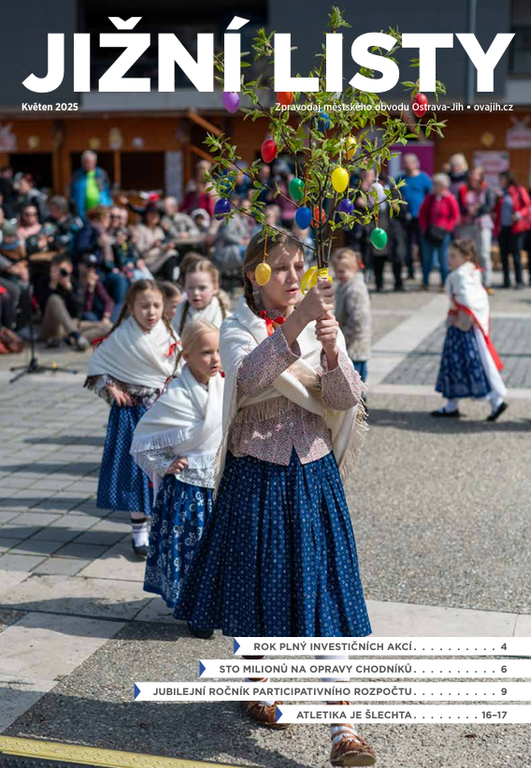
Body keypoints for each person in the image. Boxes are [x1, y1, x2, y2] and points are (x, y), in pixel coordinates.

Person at [175, 230, 375, 767]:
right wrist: (296, 324)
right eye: (279, 268)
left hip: (312, 475)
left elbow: (343, 400)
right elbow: (249, 376)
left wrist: (331, 352)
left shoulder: (313, 331)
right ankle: (261, 677)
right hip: (256, 475)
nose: (291, 277)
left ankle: (344, 728)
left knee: (324, 597)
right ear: (252, 277)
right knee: (260, 589)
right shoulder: (237, 328)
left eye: (297, 266)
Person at [130, 320, 224, 625]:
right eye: (206, 352)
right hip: (187, 490)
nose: (215, 359)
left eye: (219, 351)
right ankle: (195, 610)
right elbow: (141, 439)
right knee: (191, 551)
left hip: (220, 482)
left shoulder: (225, 388)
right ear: (187, 356)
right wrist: (163, 464)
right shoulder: (175, 397)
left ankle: (215, 603)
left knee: (219, 549)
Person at [85, 280, 179, 558]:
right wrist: (111, 386)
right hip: (131, 413)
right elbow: (98, 364)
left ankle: (161, 529)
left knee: (165, 474)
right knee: (137, 474)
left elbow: (180, 367)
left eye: (156, 306)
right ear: (131, 307)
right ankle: (139, 533)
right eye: (144, 306)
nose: (151, 312)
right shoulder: (122, 335)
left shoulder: (169, 334)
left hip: (163, 413)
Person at [432, 239, 507, 422]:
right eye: (448, 255)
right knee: (460, 366)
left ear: (466, 257)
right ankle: (452, 404)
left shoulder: (461, 276)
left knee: (475, 366)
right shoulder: (469, 273)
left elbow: (467, 302)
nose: (448, 259)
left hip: (463, 331)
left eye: (453, 256)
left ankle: (495, 401)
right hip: (464, 329)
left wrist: (461, 323)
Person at [332, 248, 371, 382]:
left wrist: (342, 339)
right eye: (337, 271)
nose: (339, 275)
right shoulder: (345, 285)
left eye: (342, 271)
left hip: (355, 346)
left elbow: (358, 320)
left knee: (354, 382)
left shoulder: (355, 289)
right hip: (349, 345)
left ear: (354, 268)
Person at [35, 254, 89, 350]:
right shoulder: (45, 281)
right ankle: (75, 336)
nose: (60, 273)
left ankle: (69, 339)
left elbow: (79, 308)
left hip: (71, 324)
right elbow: (41, 307)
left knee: (106, 327)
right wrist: (52, 285)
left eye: (62, 270)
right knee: (54, 298)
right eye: (57, 270)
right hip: (53, 327)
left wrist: (69, 288)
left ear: (70, 268)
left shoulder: (75, 282)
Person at [418, 173, 461, 290]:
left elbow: (455, 216)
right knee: (427, 259)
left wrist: (447, 228)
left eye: (437, 185)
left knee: (444, 259)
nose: (435, 187)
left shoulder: (449, 199)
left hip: (443, 234)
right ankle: (425, 282)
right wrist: (424, 228)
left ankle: (444, 283)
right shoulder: (430, 198)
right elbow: (422, 214)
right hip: (429, 232)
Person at [494, 171, 531, 289]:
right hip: (503, 228)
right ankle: (506, 281)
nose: (500, 181)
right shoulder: (501, 193)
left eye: (502, 179)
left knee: (516, 255)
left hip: (516, 228)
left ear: (508, 179)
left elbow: (528, 206)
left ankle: (519, 281)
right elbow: (496, 210)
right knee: (504, 256)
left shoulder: (519, 190)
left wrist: (519, 214)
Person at [457, 168, 496, 291]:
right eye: (472, 174)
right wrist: (468, 210)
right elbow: (459, 205)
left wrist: (477, 210)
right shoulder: (463, 189)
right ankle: (467, 281)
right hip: (467, 225)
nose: (474, 177)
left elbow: (490, 205)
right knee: (467, 253)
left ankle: (486, 282)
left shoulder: (487, 188)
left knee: (483, 253)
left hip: (482, 224)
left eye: (476, 175)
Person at [173, 258, 229, 337]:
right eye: (190, 287)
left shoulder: (227, 319)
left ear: (215, 288)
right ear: (184, 287)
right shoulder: (178, 313)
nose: (196, 293)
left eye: (202, 288)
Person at [398, 153, 432, 280]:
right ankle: (410, 271)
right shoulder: (400, 179)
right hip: (405, 218)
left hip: (420, 218)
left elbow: (430, 196)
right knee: (406, 246)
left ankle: (425, 274)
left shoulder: (424, 178)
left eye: (409, 163)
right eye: (405, 163)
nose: (406, 165)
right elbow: (395, 194)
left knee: (422, 246)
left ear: (415, 164)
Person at [133, 203, 179, 280]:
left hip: (160, 257)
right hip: (148, 260)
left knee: (172, 252)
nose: (154, 217)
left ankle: (171, 279)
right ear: (146, 215)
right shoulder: (140, 229)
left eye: (156, 214)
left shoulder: (158, 230)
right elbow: (139, 249)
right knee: (171, 254)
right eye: (152, 214)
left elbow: (162, 245)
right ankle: (170, 281)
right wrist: (152, 245)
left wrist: (167, 247)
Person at [70, 150, 113, 220]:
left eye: (89, 162)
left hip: (99, 212)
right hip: (81, 211)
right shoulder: (77, 175)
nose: (87, 164)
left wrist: (107, 205)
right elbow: (71, 192)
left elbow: (107, 191)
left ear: (94, 162)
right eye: (85, 162)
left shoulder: (101, 174)